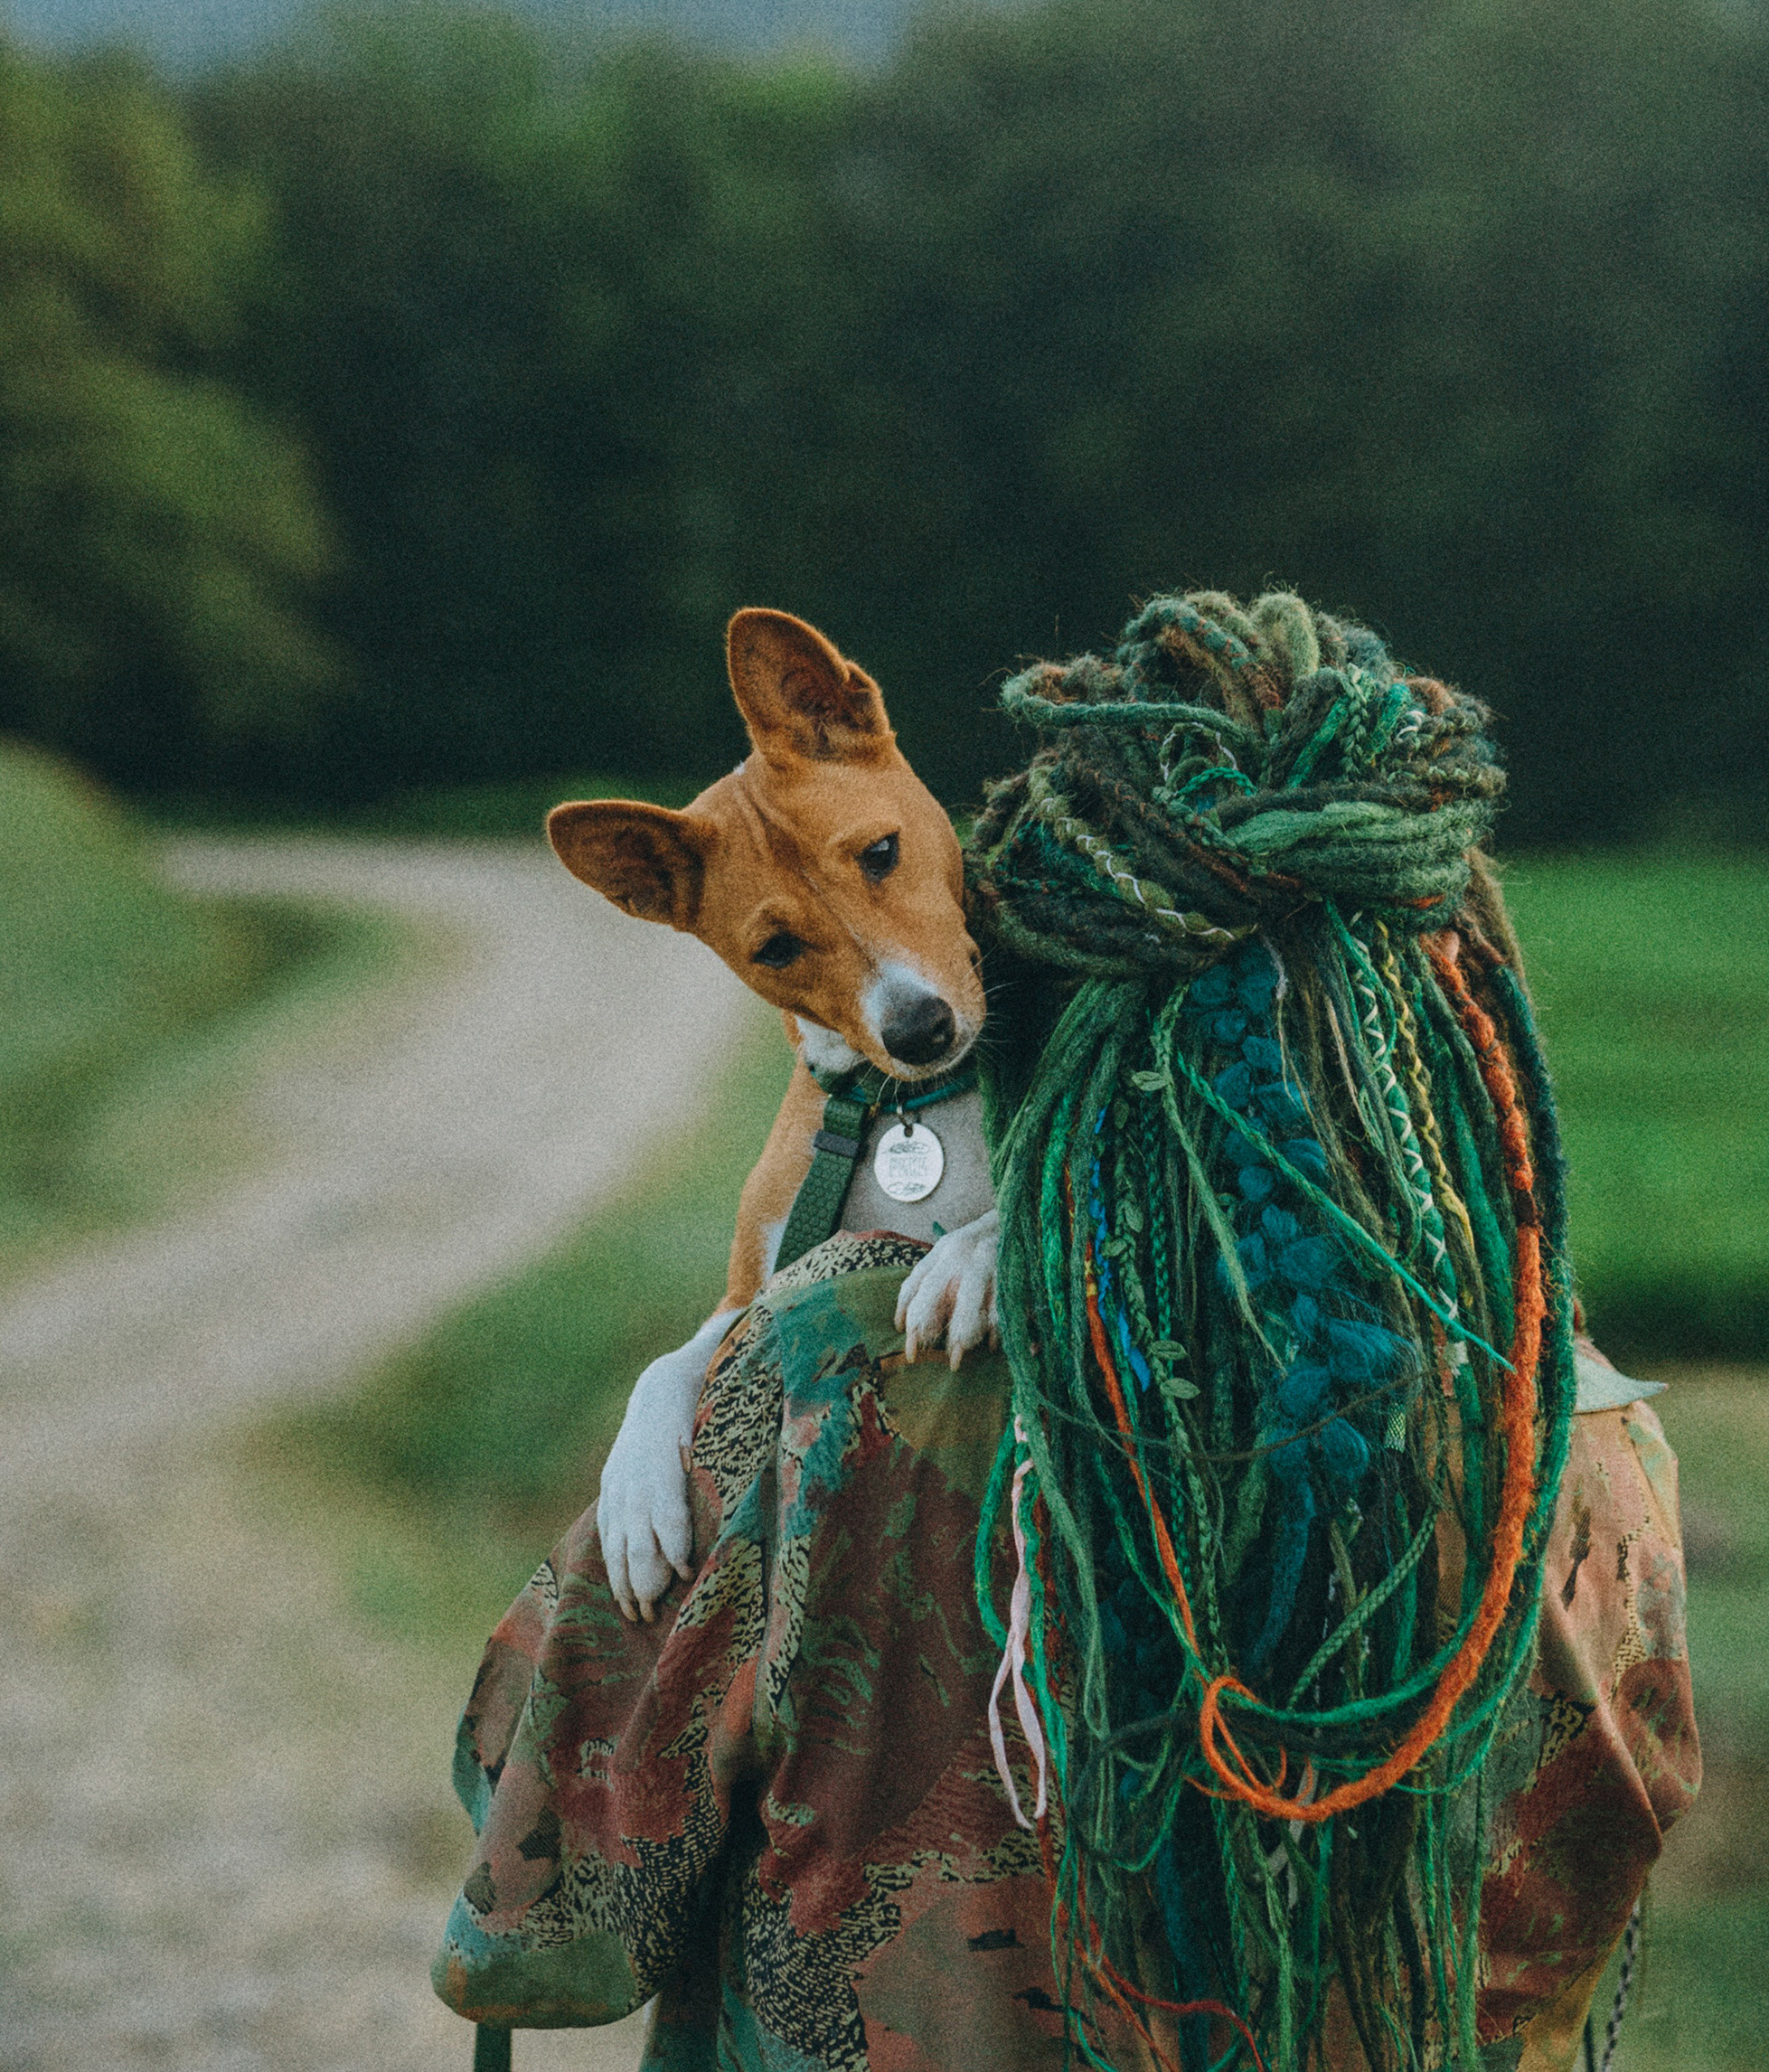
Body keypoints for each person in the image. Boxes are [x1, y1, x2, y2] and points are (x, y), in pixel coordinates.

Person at [436, 594, 1698, 2069]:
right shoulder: (1588, 1435)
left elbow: (550, 1890)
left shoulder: (805, 1391)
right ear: (1447, 995)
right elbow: (1607, 1855)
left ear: (1077, 983)